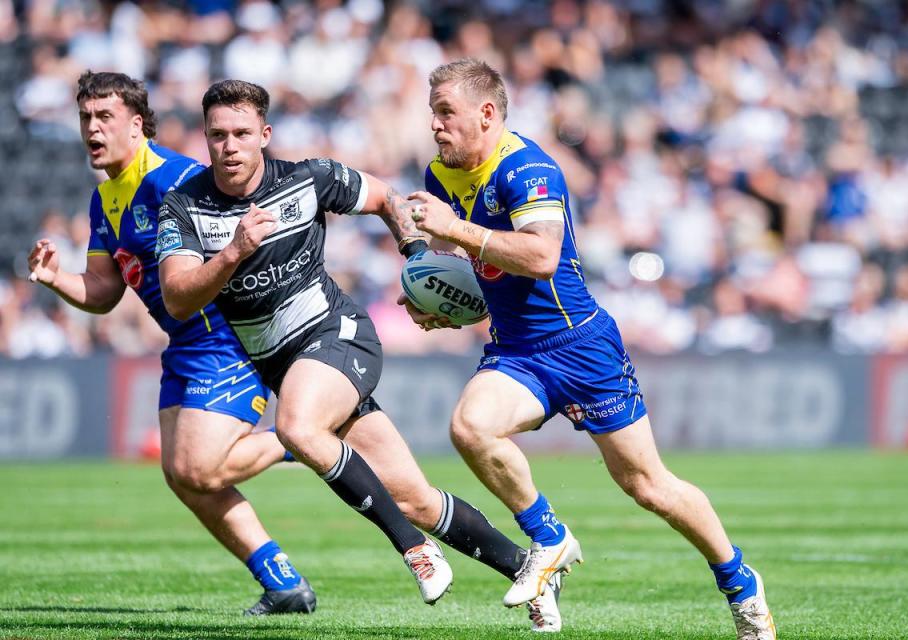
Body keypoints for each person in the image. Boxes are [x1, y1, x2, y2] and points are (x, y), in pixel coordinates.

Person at [155, 79, 564, 630]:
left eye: (242, 134)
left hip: (338, 335)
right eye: (218, 135)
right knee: (415, 497)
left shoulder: (307, 179)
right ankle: (529, 570)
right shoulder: (183, 207)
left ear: (264, 136)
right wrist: (233, 251)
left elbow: (385, 199)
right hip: (281, 365)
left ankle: (413, 551)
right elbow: (179, 298)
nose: (229, 145)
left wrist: (416, 258)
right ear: (205, 139)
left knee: (298, 428)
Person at [400, 58, 777, 639]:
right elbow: (474, 266)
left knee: (648, 486)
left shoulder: (529, 168)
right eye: (433, 113)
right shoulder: (440, 175)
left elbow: (541, 256)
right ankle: (550, 539)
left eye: (446, 113)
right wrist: (442, 304)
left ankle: (740, 582)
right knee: (471, 427)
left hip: (580, 345)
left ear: (487, 114)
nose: (435, 126)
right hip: (516, 350)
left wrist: (455, 231)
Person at [27, 71, 318, 616]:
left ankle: (304, 435)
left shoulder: (179, 179)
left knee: (201, 469)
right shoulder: (103, 201)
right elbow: (104, 292)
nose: (93, 128)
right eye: (86, 118)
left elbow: (250, 235)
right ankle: (283, 582)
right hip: (183, 343)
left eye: (105, 117)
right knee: (183, 477)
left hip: (226, 336)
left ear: (136, 125)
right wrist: (54, 279)